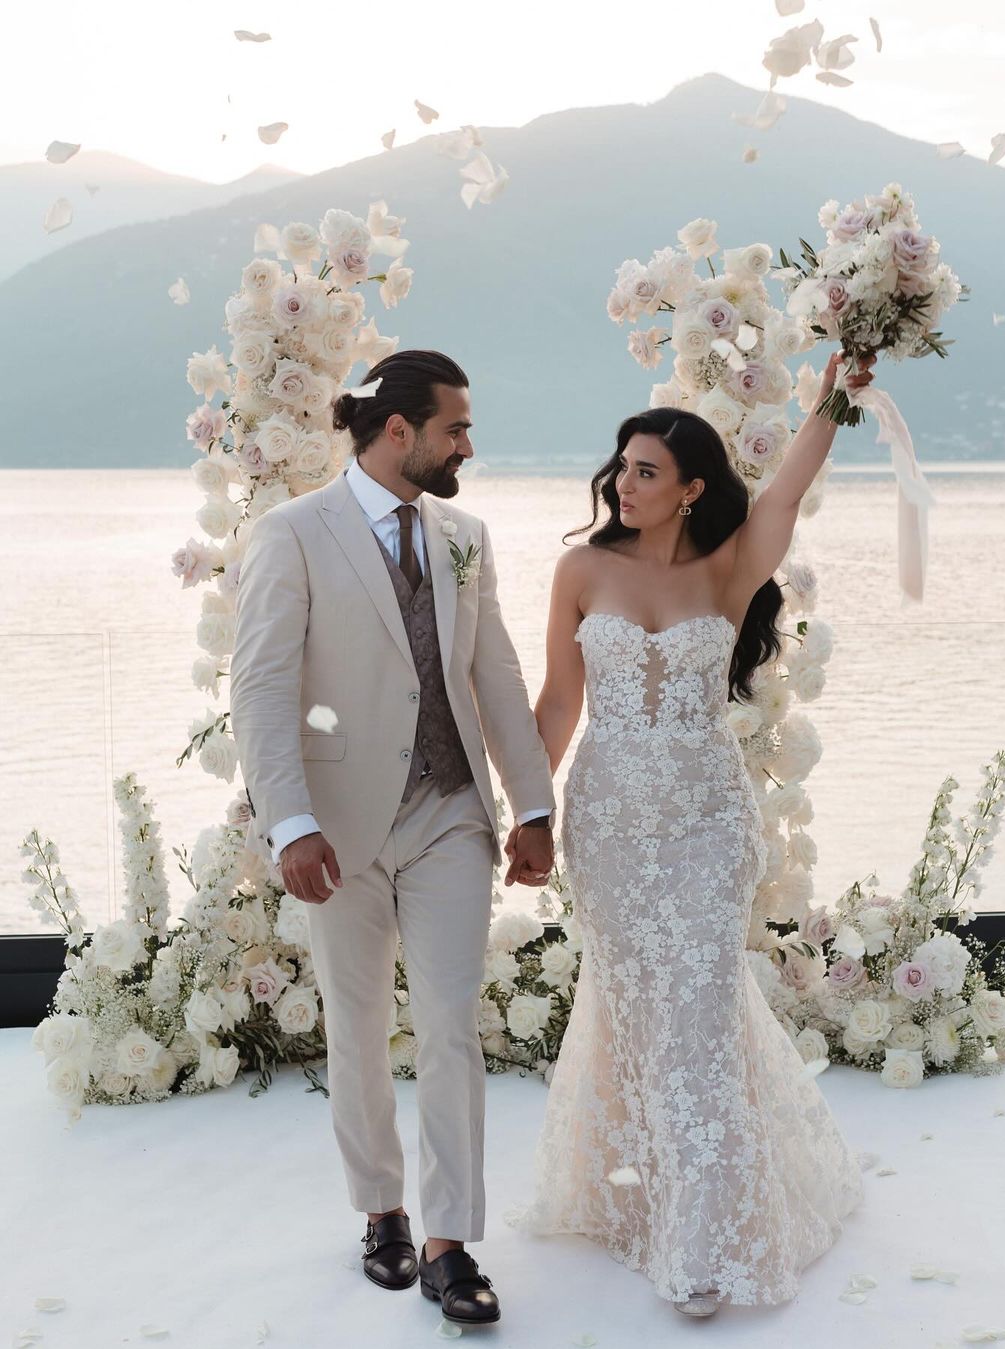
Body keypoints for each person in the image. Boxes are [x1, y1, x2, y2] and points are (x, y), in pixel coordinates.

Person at [504, 351, 874, 1316]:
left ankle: (701, 1236)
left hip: (709, 821)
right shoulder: (580, 570)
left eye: (646, 472)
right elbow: (557, 703)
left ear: (690, 489)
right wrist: (531, 818)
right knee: (637, 1007)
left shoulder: (730, 567)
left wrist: (840, 391)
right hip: (613, 823)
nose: (623, 484)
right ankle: (636, 1186)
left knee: (702, 1011)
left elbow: (789, 489)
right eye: (621, 467)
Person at [230, 349, 556, 1329]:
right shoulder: (291, 534)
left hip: (451, 812)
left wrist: (533, 803)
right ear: (399, 430)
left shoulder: (466, 534)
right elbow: (260, 686)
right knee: (359, 1024)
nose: (469, 443)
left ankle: (452, 1242)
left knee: (455, 1020)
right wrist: (289, 823)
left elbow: (493, 670)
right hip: (337, 826)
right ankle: (382, 1206)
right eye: (456, 426)